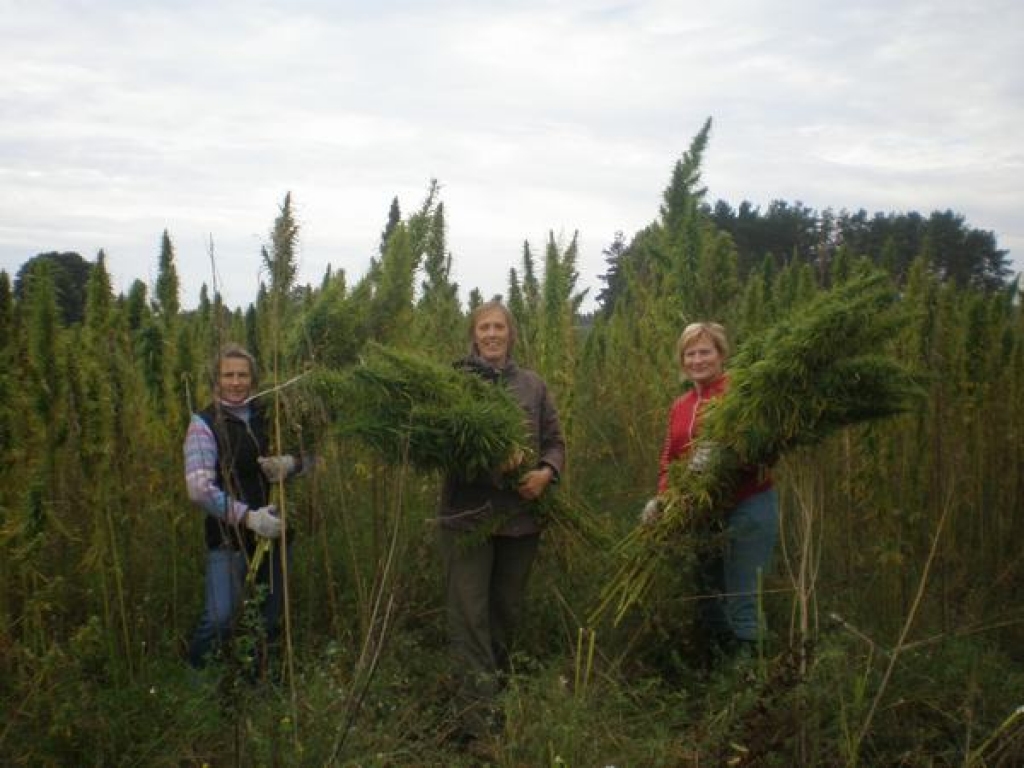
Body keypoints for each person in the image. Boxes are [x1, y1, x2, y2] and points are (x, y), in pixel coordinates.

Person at [440, 300, 566, 745]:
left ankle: (495, 705)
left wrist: (544, 473)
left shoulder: (532, 385)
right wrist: (492, 459)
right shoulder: (455, 383)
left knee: (504, 615)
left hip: (520, 521)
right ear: (474, 335)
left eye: (499, 327)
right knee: (469, 618)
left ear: (511, 334)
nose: (492, 334)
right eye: (484, 327)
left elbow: (554, 441)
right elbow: (442, 448)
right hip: (468, 518)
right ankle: (478, 728)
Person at [645, 322, 778, 664]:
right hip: (702, 513)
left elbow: (764, 447)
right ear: (682, 360)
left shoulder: (739, 394)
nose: (697, 359)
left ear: (721, 355)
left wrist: (727, 455)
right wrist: (662, 498)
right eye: (690, 353)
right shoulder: (681, 405)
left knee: (742, 598)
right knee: (708, 597)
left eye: (705, 352)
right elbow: (669, 459)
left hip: (747, 505)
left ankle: (754, 685)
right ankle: (719, 674)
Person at [184, 343, 303, 676]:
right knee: (220, 617)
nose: (235, 382)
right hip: (229, 538)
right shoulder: (203, 424)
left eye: (242, 375)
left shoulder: (273, 414)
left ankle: (257, 682)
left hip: (277, 534)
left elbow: (313, 456)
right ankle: (197, 686)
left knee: (269, 618)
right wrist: (249, 518)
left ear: (253, 378)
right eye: (228, 375)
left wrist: (291, 464)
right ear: (216, 379)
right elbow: (198, 488)